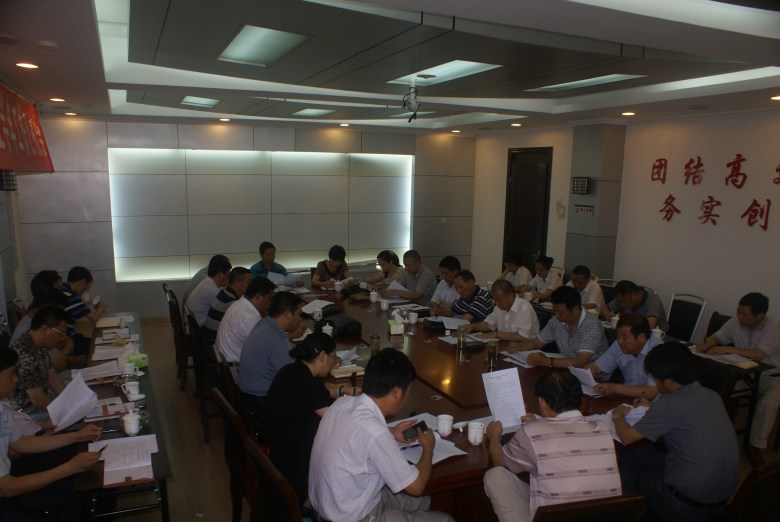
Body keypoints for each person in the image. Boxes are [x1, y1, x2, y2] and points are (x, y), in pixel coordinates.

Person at [309, 349, 453, 522]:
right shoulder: (376, 433)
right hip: (353, 517)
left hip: (329, 506)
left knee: (423, 501)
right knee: (445, 519)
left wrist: (392, 432)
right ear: (396, 393)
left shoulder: (342, 404)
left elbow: (360, 432)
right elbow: (417, 487)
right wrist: (428, 448)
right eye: (409, 391)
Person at [615, 343, 739, 522]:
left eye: (655, 379)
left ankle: (626, 511)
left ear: (667, 382)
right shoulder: (712, 395)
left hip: (686, 506)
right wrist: (653, 408)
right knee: (645, 454)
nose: (655, 383)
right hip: (721, 501)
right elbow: (686, 416)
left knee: (632, 458)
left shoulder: (669, 404)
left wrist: (617, 415)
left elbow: (627, 438)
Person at [484, 372, 621, 521]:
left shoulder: (532, 432)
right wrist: (536, 424)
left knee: (495, 476)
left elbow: (499, 460)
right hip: (601, 515)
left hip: (556, 516)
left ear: (542, 402)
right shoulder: (602, 428)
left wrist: (494, 436)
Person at [0, 347, 102, 521]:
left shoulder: (1, 409)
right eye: (11, 374)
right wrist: (69, 468)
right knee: (72, 489)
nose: (16, 379)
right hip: (5, 500)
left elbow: (23, 443)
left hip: (9, 481)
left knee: (83, 476)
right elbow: (7, 488)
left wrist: (77, 436)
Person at [263, 332, 358, 496]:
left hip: (277, 450)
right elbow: (337, 421)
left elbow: (317, 395)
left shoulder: (290, 370)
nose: (334, 362)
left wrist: (343, 390)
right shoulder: (309, 384)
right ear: (322, 356)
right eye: (333, 357)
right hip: (295, 463)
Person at [695, 292, 780, 467]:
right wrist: (706, 343)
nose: (739, 317)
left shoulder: (774, 327)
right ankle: (713, 431)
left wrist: (728, 349)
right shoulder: (735, 322)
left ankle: (755, 446)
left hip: (772, 377)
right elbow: (717, 337)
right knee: (718, 387)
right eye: (738, 312)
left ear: (759, 316)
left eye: (744, 314)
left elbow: (758, 354)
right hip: (744, 373)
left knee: (768, 404)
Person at [509, 286, 608, 368]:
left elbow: (580, 361)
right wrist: (519, 346)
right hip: (565, 367)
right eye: (554, 311)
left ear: (575, 309)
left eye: (560, 312)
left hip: (592, 376)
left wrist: (545, 361)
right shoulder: (557, 320)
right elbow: (536, 343)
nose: (556, 316)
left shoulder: (591, 325)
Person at [238, 292, 303, 413]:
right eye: (299, 314)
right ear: (288, 315)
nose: (300, 319)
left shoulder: (263, 323)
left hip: (246, 395)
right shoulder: (278, 338)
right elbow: (293, 377)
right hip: (261, 402)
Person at [4, 307, 70, 422]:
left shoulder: (39, 345)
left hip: (41, 401)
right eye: (60, 334)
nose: (62, 338)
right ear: (45, 329)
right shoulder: (25, 354)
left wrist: (72, 400)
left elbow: (52, 377)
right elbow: (37, 399)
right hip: (25, 411)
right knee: (76, 420)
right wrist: (67, 412)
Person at [586, 314, 662, 399]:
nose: (620, 341)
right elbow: (596, 367)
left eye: (625, 338)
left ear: (641, 337)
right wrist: (579, 374)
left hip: (652, 403)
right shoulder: (620, 344)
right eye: (618, 336)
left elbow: (652, 392)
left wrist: (615, 388)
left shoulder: (658, 351)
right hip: (627, 397)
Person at [216, 277, 276, 364]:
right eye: (269, 299)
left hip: (226, 360)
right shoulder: (249, 317)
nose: (270, 303)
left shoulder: (240, 303)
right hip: (235, 366)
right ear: (258, 297)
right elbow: (269, 347)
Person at [11, 289, 72, 372]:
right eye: (57, 312)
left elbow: (51, 374)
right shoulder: (27, 353)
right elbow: (60, 364)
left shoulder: (41, 344)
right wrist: (66, 353)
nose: (62, 338)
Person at [465, 280, 539, 341]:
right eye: (495, 300)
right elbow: (488, 324)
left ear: (510, 296)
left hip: (526, 350)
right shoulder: (499, 307)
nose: (497, 304)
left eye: (499, 300)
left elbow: (523, 336)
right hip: (506, 346)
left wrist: (496, 334)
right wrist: (473, 326)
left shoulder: (525, 308)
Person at [201, 267, 251, 346]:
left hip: (210, 335)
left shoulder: (224, 292)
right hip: (215, 342)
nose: (251, 285)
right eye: (248, 282)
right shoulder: (232, 302)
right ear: (237, 283)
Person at [602, 280, 668, 331]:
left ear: (634, 295)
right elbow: (603, 308)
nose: (621, 304)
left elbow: (650, 326)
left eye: (623, 301)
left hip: (658, 336)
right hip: (632, 332)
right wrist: (608, 314)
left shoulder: (653, 300)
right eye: (620, 301)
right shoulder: (622, 298)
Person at [185, 254, 232, 326]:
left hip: (195, 323)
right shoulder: (213, 291)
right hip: (203, 327)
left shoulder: (207, 281)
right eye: (228, 274)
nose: (229, 278)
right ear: (220, 274)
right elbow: (231, 308)